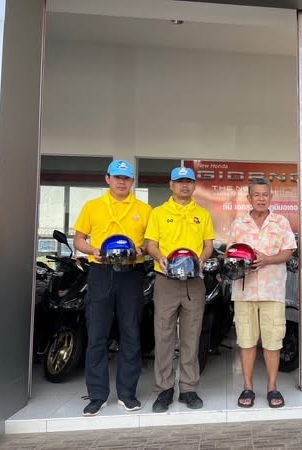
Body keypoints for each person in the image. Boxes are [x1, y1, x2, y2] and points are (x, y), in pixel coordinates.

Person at [73, 159, 152, 416]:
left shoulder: (144, 209)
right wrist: (92, 250)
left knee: (131, 333)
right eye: (117, 177)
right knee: (97, 335)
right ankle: (97, 395)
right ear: (108, 178)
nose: (121, 182)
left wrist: (141, 249)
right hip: (101, 272)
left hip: (131, 274)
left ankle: (127, 394)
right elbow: (79, 239)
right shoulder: (92, 206)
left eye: (126, 178)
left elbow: (152, 243)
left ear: (132, 182)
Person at [145, 166, 214, 413]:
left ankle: (188, 388)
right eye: (179, 181)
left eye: (189, 181)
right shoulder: (159, 213)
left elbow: (208, 245)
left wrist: (201, 260)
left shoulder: (202, 214)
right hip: (166, 280)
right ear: (171, 185)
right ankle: (163, 389)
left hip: (194, 281)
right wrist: (160, 258)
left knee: (191, 336)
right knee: (163, 335)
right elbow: (151, 244)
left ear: (194, 186)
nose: (184, 185)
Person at [229, 178, 296, 409]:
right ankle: (247, 387)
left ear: (271, 197)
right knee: (246, 341)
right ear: (249, 198)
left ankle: (272, 388)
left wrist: (267, 259)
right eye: (256, 195)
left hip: (272, 290)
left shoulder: (281, 222)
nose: (261, 198)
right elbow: (230, 254)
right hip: (244, 291)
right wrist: (239, 262)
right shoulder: (239, 224)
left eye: (265, 194)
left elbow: (288, 252)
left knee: (273, 341)